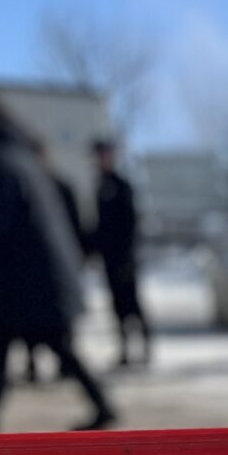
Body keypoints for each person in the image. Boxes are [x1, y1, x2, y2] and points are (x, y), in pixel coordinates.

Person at [0, 90, 114, 431]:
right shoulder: (21, 157)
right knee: (15, 343)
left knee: (40, 343)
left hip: (25, 278)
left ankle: (101, 404)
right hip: (36, 275)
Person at [90, 138, 149, 368]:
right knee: (117, 307)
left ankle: (144, 347)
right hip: (110, 259)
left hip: (125, 258)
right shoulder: (101, 186)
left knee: (133, 304)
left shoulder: (122, 186)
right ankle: (125, 349)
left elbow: (130, 224)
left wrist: (127, 256)